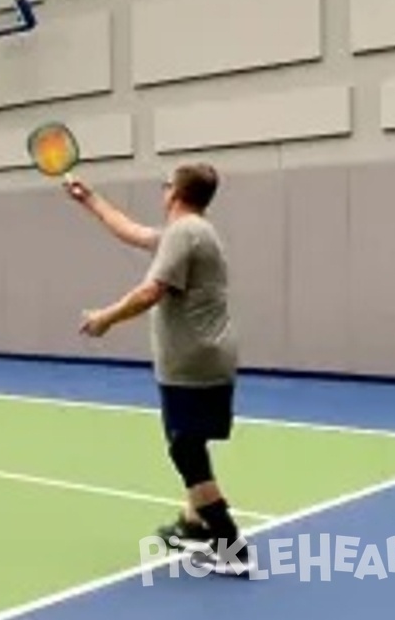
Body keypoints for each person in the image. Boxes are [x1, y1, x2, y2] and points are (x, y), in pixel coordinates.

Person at [64, 164, 252, 576]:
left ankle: (228, 544)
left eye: (166, 184)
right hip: (204, 358)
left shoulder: (185, 234)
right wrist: (89, 199)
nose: (162, 190)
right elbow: (130, 231)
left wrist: (105, 318)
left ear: (176, 193)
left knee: (184, 447)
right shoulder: (189, 232)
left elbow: (151, 291)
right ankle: (194, 523)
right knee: (191, 441)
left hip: (193, 362)